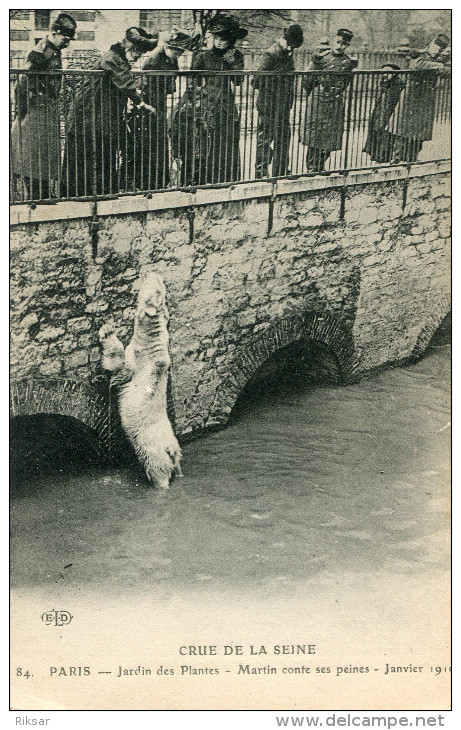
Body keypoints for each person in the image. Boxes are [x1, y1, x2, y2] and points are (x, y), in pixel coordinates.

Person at [61, 27, 157, 197]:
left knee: (103, 153)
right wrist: (142, 103)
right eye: (137, 54)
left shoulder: (118, 58)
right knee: (85, 156)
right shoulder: (112, 58)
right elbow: (125, 83)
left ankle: (103, 192)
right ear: (129, 49)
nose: (137, 58)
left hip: (100, 116)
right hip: (87, 115)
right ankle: (78, 195)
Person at [171, 15, 247, 186]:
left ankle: (224, 180)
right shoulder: (203, 57)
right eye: (217, 38)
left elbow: (238, 80)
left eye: (223, 39)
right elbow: (192, 81)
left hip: (224, 106)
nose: (219, 42)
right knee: (202, 144)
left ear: (231, 41)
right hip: (203, 105)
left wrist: (231, 62)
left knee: (224, 144)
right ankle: (198, 181)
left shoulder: (235, 56)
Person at [11, 13, 77, 200]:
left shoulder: (53, 50)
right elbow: (22, 84)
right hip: (35, 111)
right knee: (33, 155)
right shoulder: (40, 53)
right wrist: (24, 112)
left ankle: (44, 192)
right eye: (65, 39)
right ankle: (36, 195)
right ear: (55, 34)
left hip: (46, 110)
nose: (67, 43)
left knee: (46, 155)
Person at [128, 29, 192, 190]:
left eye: (180, 52)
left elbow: (172, 82)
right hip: (149, 104)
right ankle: (146, 183)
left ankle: (160, 181)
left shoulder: (171, 58)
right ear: (168, 47)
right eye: (175, 51)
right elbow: (145, 84)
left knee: (160, 142)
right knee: (149, 143)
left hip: (160, 103)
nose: (177, 55)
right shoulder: (154, 60)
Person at [385, 33, 450, 163]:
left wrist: (441, 66)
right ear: (431, 43)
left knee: (420, 132)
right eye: (435, 47)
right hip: (412, 97)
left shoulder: (440, 59)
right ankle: (396, 158)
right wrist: (439, 67)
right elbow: (417, 65)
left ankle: (412, 159)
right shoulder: (419, 54)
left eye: (439, 49)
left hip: (426, 99)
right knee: (402, 130)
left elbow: (449, 72)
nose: (436, 51)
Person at [301, 28, 357, 172]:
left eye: (344, 44)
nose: (339, 46)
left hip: (335, 102)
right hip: (318, 101)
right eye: (338, 42)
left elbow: (346, 82)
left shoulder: (348, 62)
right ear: (333, 40)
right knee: (315, 136)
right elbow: (307, 80)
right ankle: (312, 167)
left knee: (331, 138)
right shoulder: (321, 58)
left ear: (347, 45)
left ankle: (320, 166)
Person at [253, 24, 304, 178]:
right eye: (289, 45)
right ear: (284, 40)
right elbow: (256, 81)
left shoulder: (287, 54)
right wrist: (277, 77)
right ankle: (261, 172)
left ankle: (281, 171)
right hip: (268, 105)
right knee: (265, 139)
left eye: (293, 46)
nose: (291, 48)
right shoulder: (270, 54)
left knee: (283, 139)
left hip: (282, 106)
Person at [363, 64, 405, 163]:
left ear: (394, 73)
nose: (384, 75)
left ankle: (384, 156)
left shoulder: (397, 84)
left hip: (390, 112)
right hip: (380, 110)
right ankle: (377, 155)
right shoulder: (385, 83)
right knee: (377, 131)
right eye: (383, 72)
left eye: (388, 72)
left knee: (386, 134)